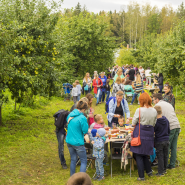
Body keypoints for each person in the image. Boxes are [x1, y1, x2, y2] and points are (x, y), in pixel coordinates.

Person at [130, 92, 157, 181]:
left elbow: (134, 123)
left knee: (138, 154)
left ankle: (141, 176)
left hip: (140, 134)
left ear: (141, 100)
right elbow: (154, 123)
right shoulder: (154, 110)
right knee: (144, 153)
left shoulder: (140, 110)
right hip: (149, 133)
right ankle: (149, 172)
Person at [152, 93, 180, 169]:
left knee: (166, 147)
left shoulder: (157, 106)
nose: (153, 101)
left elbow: (155, 118)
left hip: (170, 126)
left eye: (153, 100)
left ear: (157, 99)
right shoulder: (168, 104)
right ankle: (172, 164)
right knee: (173, 147)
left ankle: (164, 166)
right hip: (177, 125)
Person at [66, 99, 89, 176]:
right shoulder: (82, 118)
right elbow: (85, 130)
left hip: (69, 141)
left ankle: (72, 178)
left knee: (73, 160)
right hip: (78, 142)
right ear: (84, 109)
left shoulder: (71, 114)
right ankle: (82, 180)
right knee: (83, 161)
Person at [154, 106, 170, 176]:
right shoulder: (166, 120)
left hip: (159, 140)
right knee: (165, 155)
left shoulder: (156, 122)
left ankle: (160, 172)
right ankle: (164, 169)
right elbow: (169, 130)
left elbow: (154, 131)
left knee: (160, 156)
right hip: (166, 139)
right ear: (161, 112)